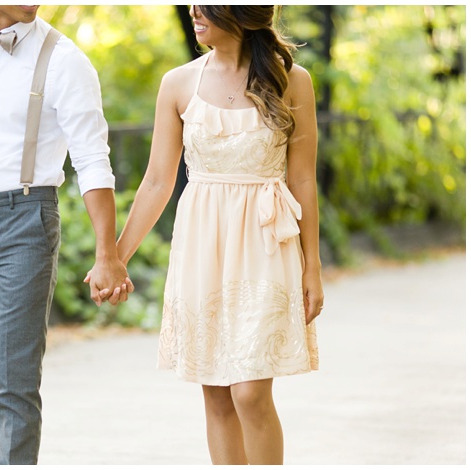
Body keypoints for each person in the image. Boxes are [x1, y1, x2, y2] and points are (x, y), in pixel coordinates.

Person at [98, 5, 323, 465]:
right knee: (218, 397)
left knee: (250, 393)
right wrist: (115, 258)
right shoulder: (178, 83)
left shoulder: (291, 80)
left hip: (266, 244)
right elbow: (158, 181)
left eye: (206, 6)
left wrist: (312, 264)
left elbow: (302, 179)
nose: (193, 12)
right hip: (203, 246)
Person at [0, 5, 131, 465]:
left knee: (14, 382)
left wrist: (107, 253)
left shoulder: (65, 59)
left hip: (24, 222)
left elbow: (92, 159)